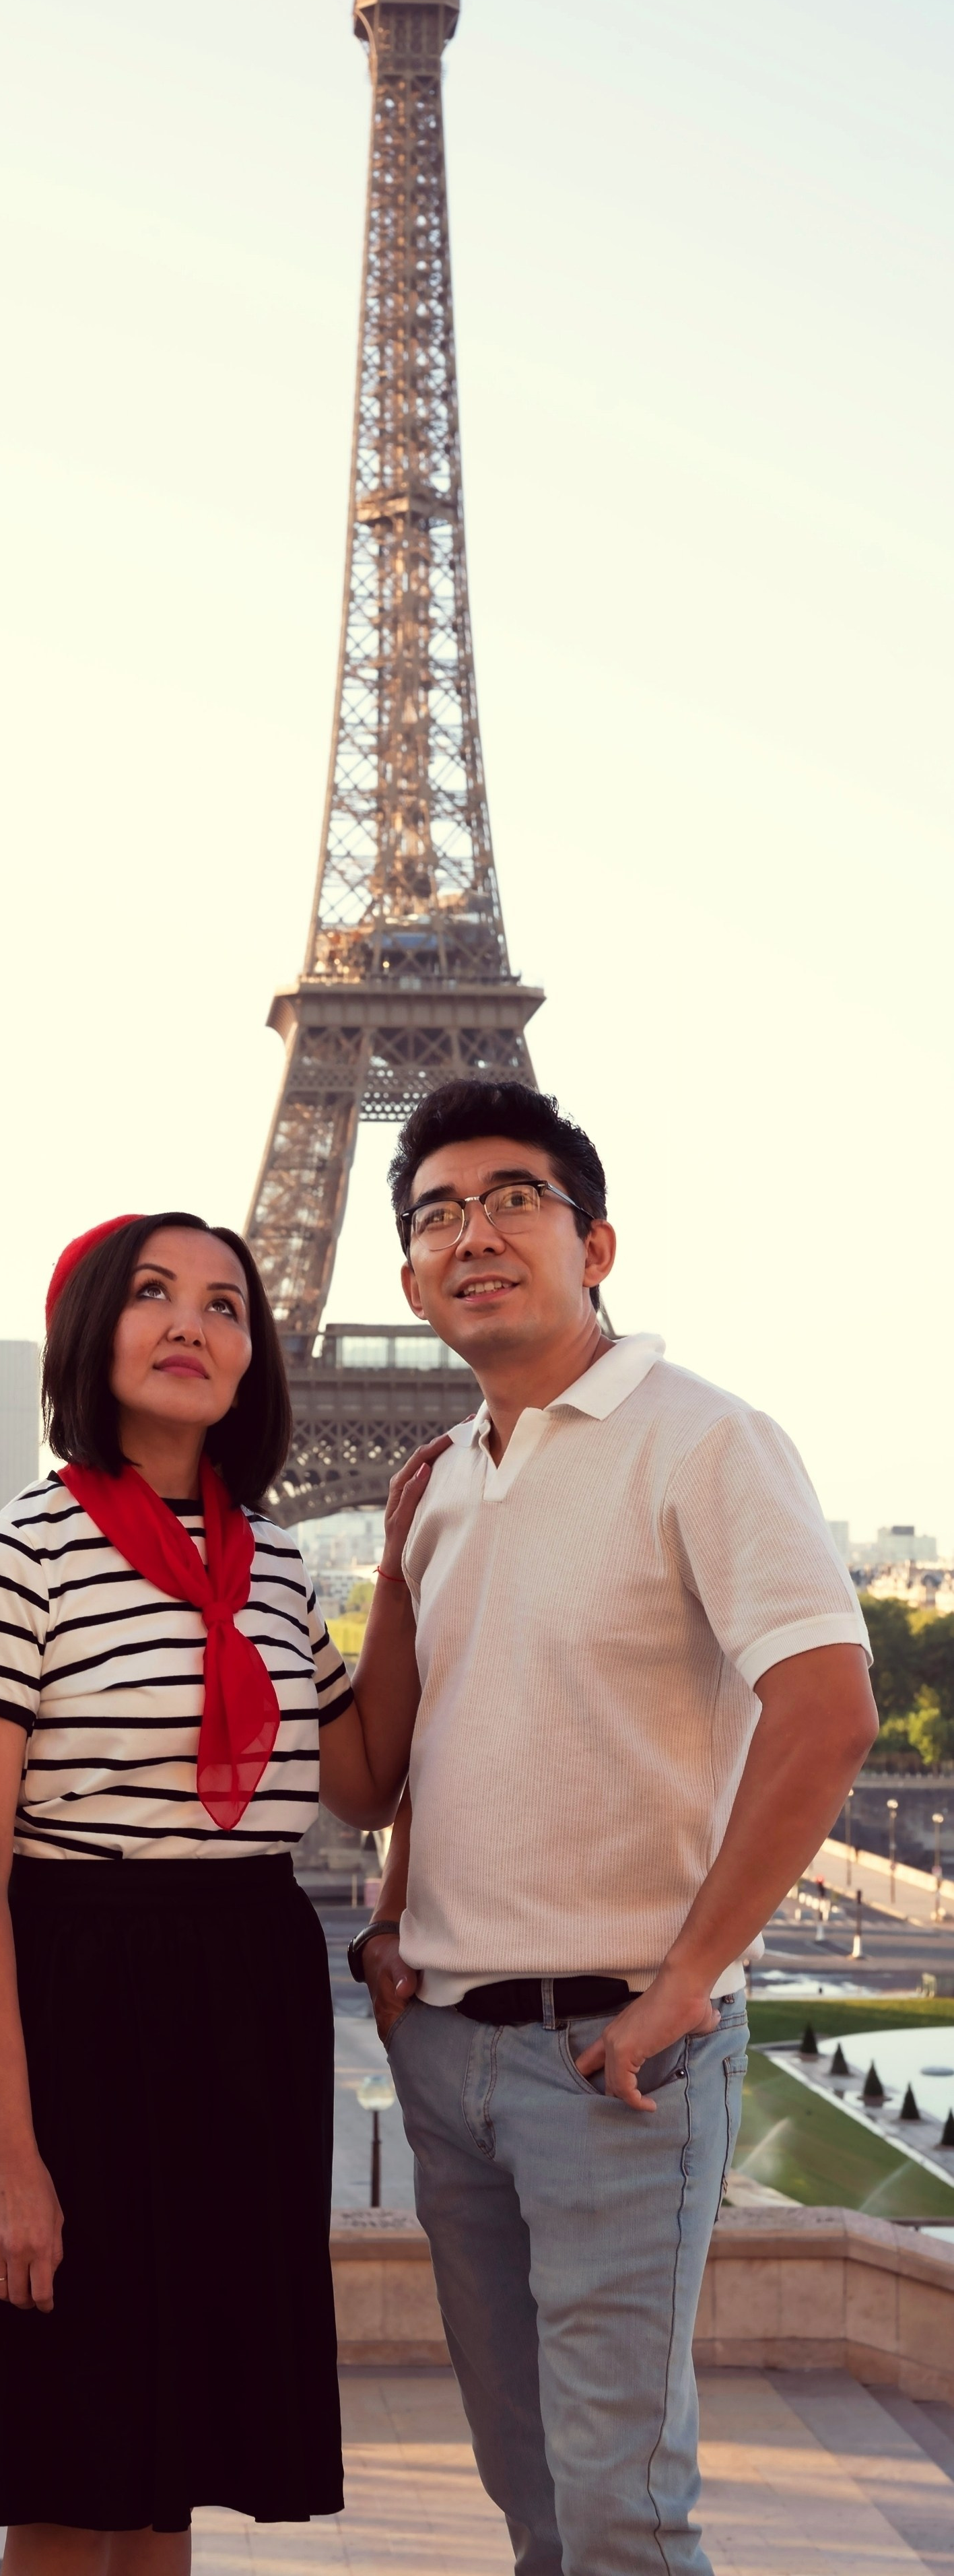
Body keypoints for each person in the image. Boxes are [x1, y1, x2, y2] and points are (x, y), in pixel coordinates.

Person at [0, 1209, 434, 2572]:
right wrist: (9, 2158)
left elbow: (364, 1779)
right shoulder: (19, 1557)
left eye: (226, 1304)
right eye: (153, 1293)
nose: (192, 1322)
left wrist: (399, 1576)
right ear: (88, 1335)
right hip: (80, 2006)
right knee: (64, 2462)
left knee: (171, 2465)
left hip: (242, 2005)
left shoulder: (280, 1572)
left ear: (255, 1358)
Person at [350, 1081, 877, 2576]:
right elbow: (438, 1745)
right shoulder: (445, 1485)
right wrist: (395, 1916)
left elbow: (829, 1714)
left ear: (599, 1245)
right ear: (408, 1280)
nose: (475, 1235)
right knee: (532, 2497)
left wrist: (687, 1979)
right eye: (438, 1215)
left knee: (622, 2516)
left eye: (514, 1199)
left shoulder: (706, 1439)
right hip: (450, 2052)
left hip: (614, 2063)